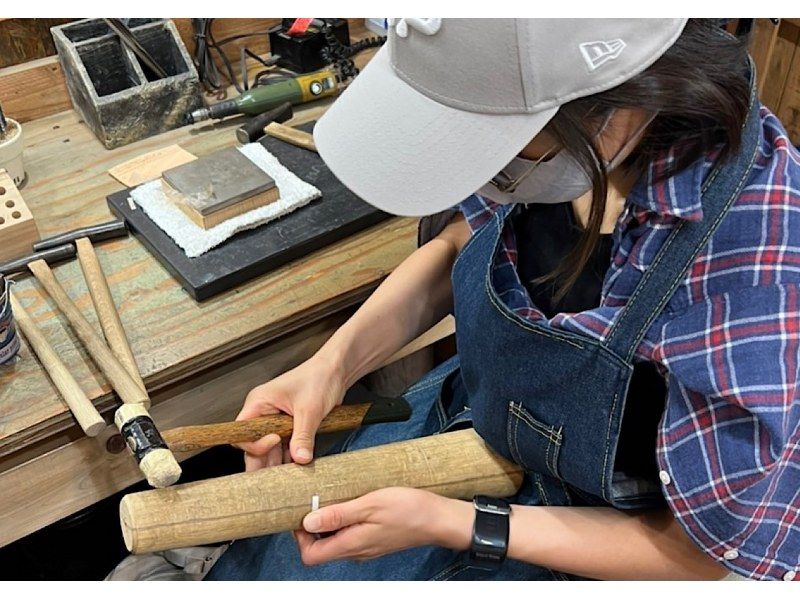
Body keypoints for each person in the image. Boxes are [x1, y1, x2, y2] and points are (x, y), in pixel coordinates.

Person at [207, 19, 800, 581]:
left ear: (616, 106)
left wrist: (459, 524)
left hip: (603, 530)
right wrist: (331, 367)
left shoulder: (752, 258)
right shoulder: (568, 145)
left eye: (495, 147)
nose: (485, 174)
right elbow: (464, 240)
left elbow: (706, 556)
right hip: (485, 415)